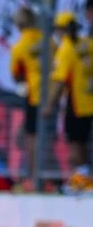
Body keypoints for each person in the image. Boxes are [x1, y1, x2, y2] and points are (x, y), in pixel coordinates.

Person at [42, 11, 93, 189]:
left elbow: (60, 81)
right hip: (89, 101)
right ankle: (85, 180)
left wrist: (49, 105)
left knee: (74, 145)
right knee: (83, 144)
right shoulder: (88, 44)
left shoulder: (66, 49)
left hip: (76, 103)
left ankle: (81, 183)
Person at [9, 6, 44, 183]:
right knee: (48, 137)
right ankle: (47, 177)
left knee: (32, 137)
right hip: (54, 94)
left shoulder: (19, 46)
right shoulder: (47, 39)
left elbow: (15, 75)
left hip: (34, 95)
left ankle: (34, 177)